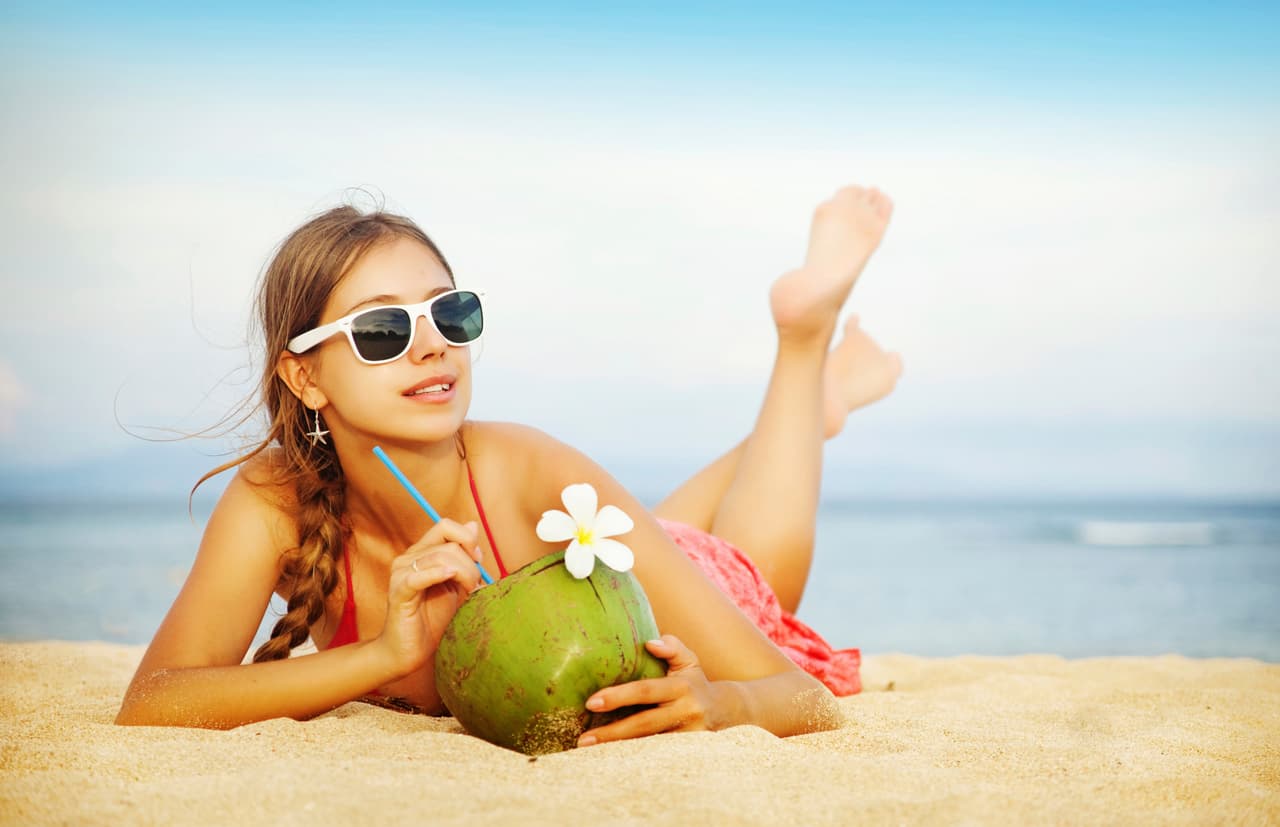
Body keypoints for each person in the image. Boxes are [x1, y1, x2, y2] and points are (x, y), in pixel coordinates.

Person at [116, 184, 900, 746]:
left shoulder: (530, 469)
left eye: (448, 313)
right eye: (383, 330)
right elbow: (154, 700)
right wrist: (385, 654)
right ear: (306, 376)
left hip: (648, 569)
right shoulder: (273, 499)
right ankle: (811, 405)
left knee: (741, 562)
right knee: (661, 530)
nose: (431, 345)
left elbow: (801, 696)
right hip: (615, 543)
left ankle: (804, 348)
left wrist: (722, 702)